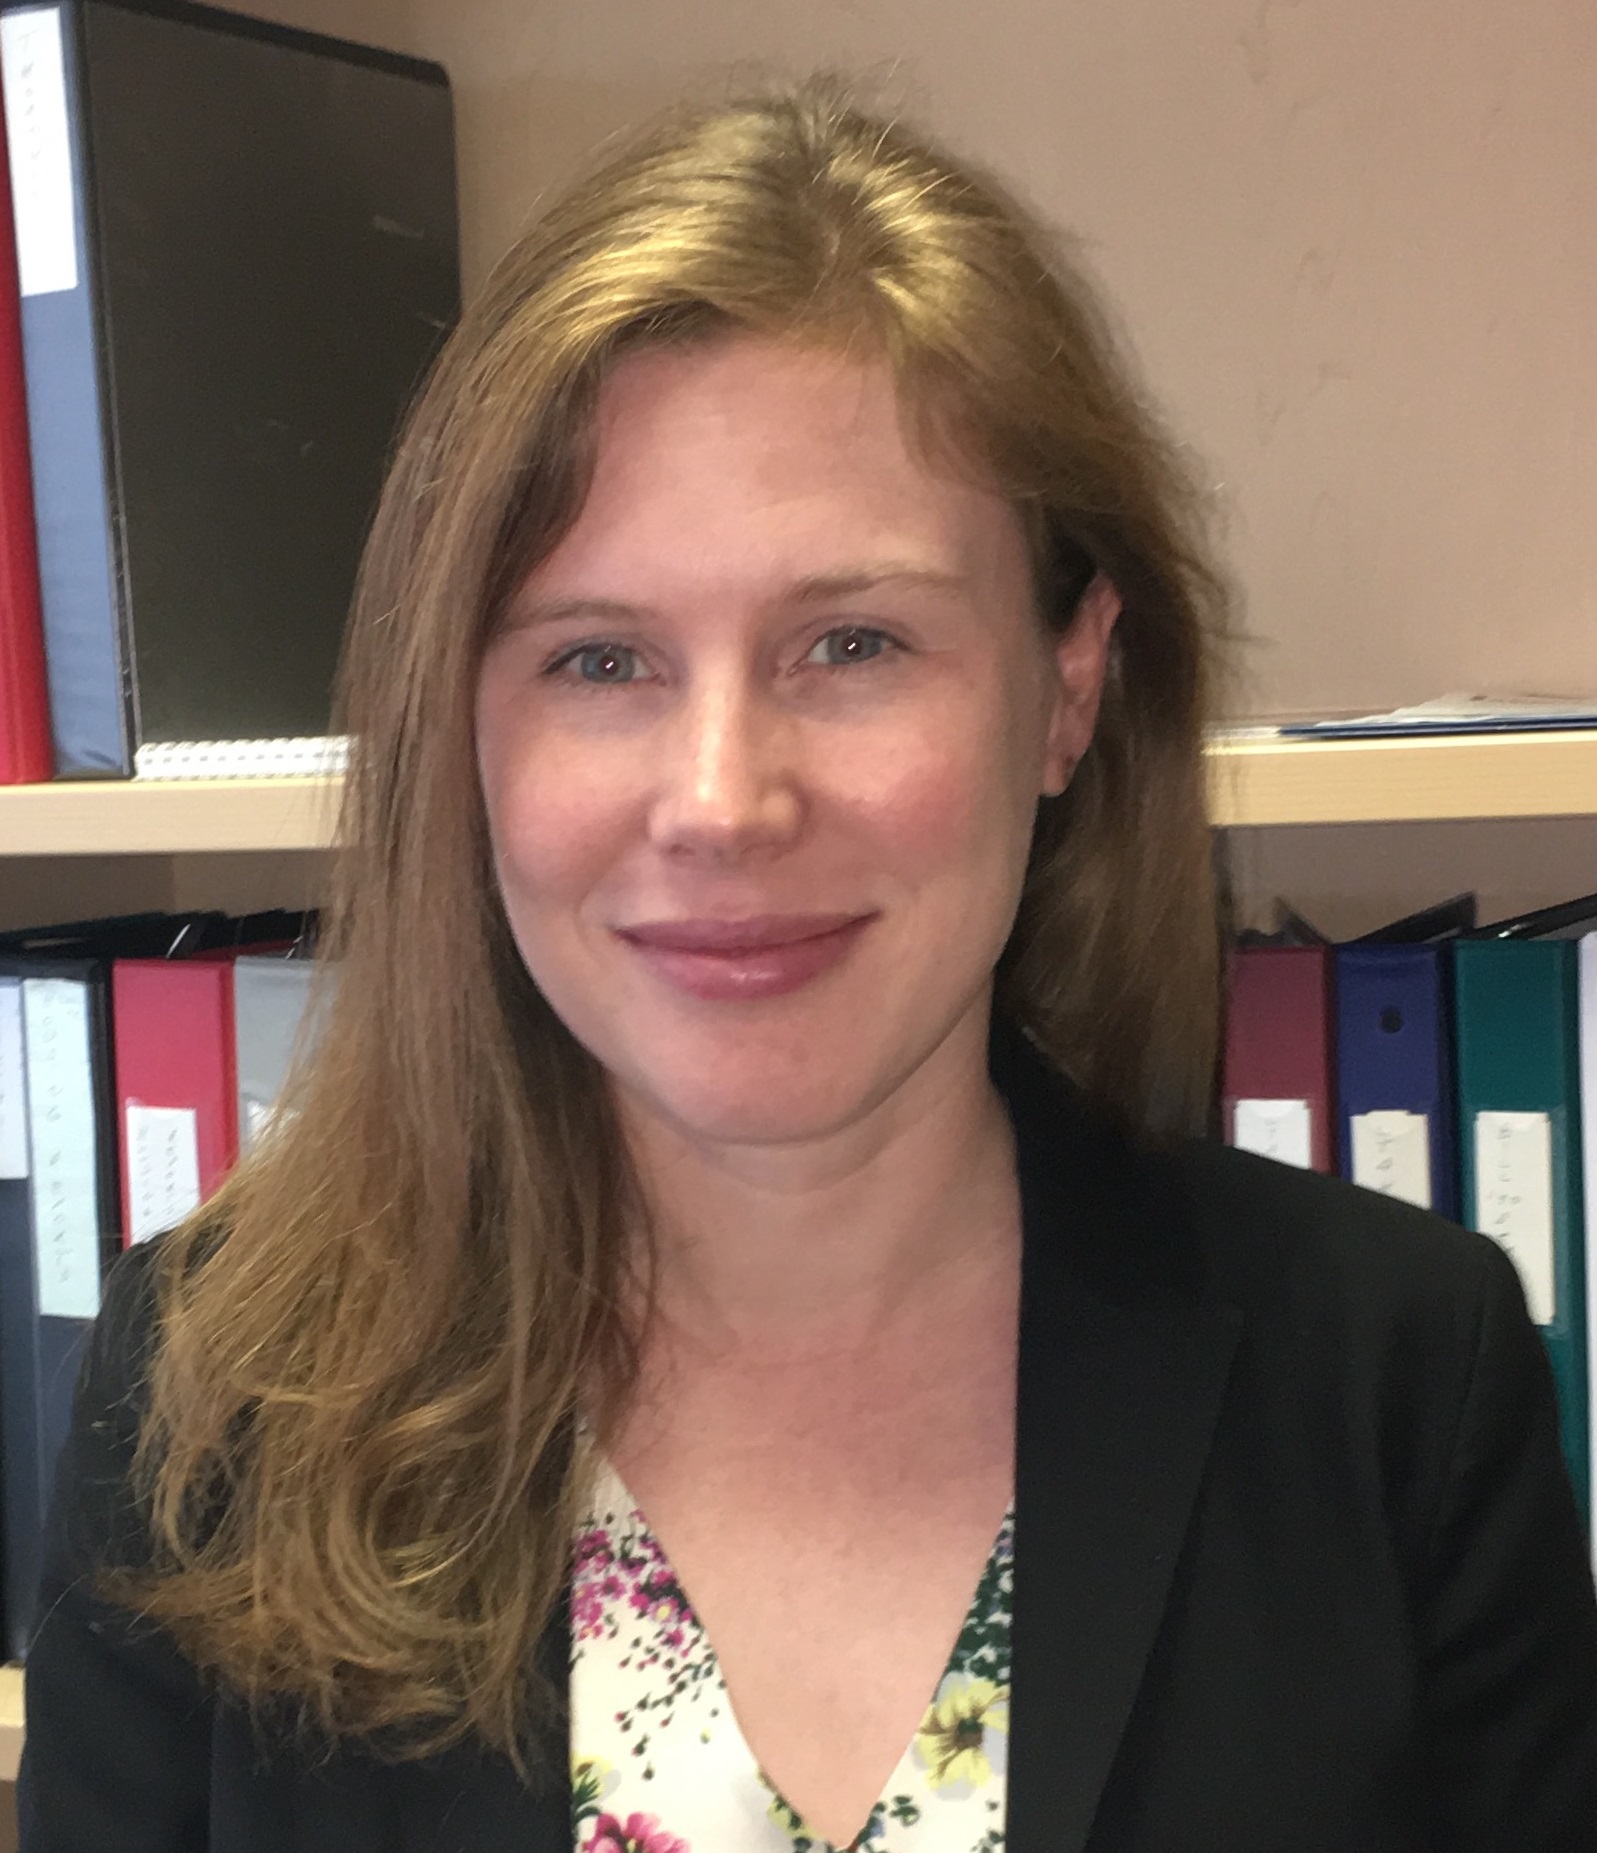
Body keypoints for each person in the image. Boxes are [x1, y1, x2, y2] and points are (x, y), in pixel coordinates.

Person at [17, 75, 1597, 1853]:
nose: (721, 802)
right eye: (599, 660)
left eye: (851, 642)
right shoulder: (209, 1401)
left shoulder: (1398, 1382)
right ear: (459, 719)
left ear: (1068, 685)